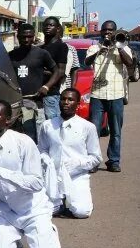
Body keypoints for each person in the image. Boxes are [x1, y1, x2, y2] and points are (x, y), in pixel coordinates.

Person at [0, 100, 61, 248]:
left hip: (32, 209)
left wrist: (0, 172)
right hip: (7, 211)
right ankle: (14, 242)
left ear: (7, 120)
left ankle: (49, 233)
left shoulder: (23, 142)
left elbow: (36, 183)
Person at [37, 88, 102, 219]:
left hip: (76, 175)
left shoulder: (87, 127)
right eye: (63, 99)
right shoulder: (47, 125)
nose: (66, 102)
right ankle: (59, 203)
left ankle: (78, 200)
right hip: (53, 176)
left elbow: (96, 158)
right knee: (46, 212)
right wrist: (45, 159)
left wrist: (76, 164)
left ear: (78, 104)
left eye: (70, 100)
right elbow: (42, 149)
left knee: (81, 212)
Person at [85, 20, 133, 173]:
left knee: (116, 131)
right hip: (97, 94)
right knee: (94, 131)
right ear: (100, 32)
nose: (107, 32)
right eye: (105, 30)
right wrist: (100, 49)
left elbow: (130, 63)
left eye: (110, 30)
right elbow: (87, 62)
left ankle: (113, 161)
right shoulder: (94, 47)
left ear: (115, 31)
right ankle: (93, 161)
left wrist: (118, 47)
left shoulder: (122, 47)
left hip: (116, 94)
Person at [8, 23, 64, 140]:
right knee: (19, 137)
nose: (26, 39)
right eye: (23, 36)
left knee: (38, 136)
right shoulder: (11, 55)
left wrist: (46, 87)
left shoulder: (41, 53)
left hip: (36, 102)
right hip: (17, 102)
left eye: (29, 36)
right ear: (18, 37)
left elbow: (57, 71)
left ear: (34, 36)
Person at [40, 17, 79, 118]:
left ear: (58, 29)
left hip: (52, 92)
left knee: (53, 126)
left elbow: (61, 72)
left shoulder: (62, 47)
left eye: (51, 25)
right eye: (46, 25)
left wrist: (72, 88)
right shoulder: (40, 48)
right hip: (38, 94)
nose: (48, 27)